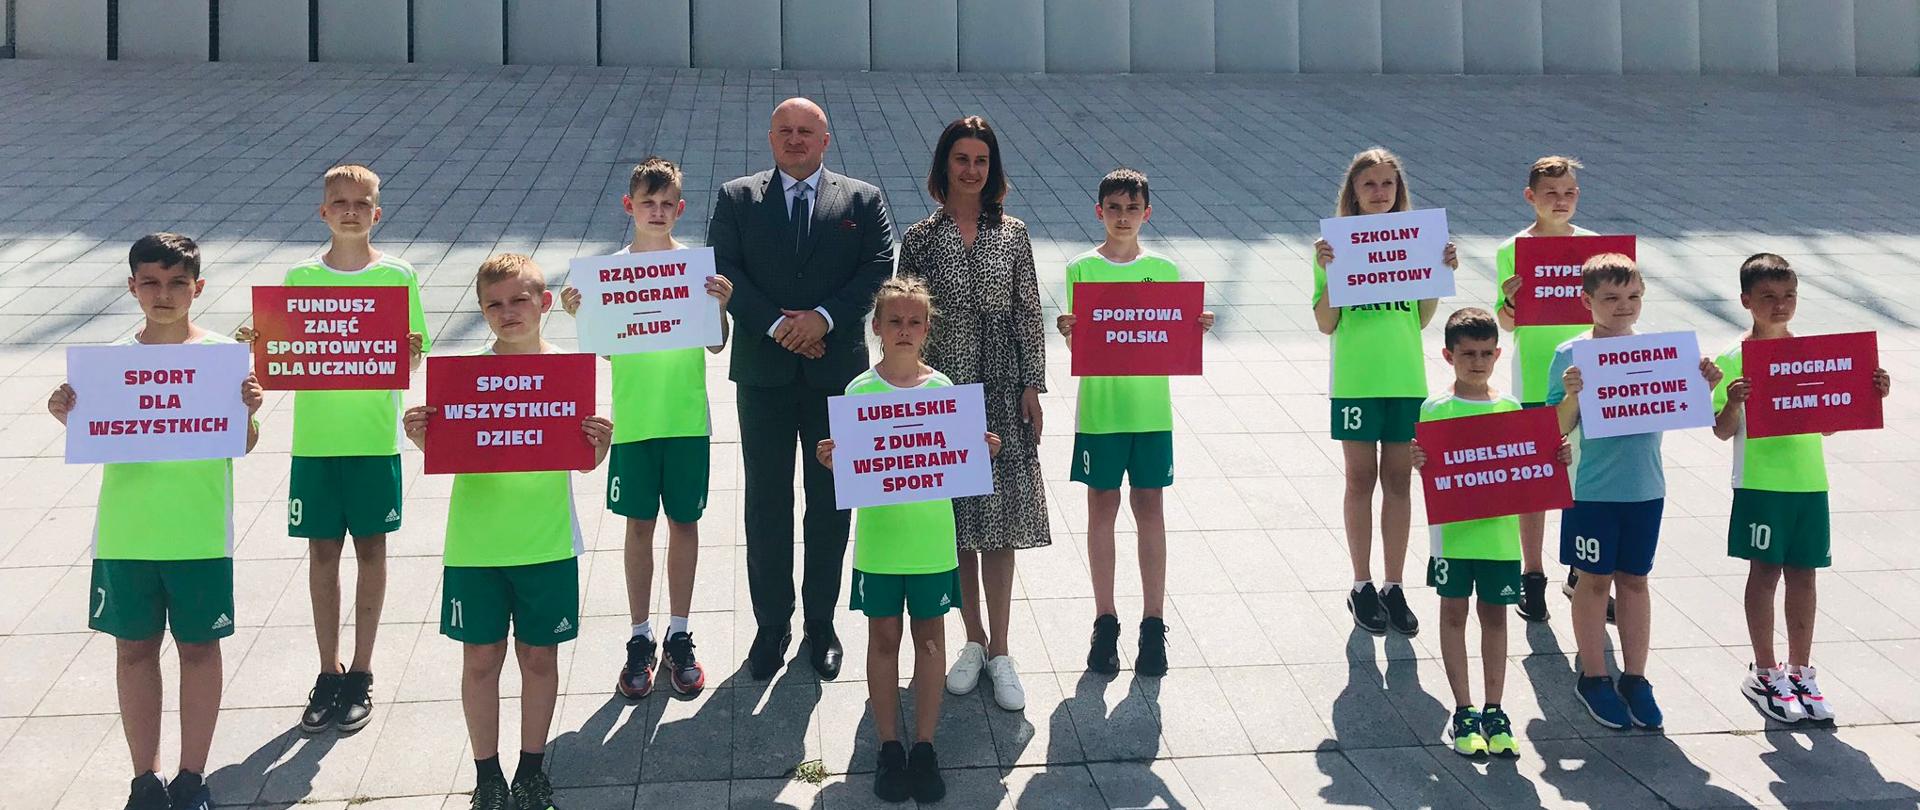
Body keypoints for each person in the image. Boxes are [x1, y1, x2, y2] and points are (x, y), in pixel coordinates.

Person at [47, 233, 264, 810]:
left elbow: (243, 444)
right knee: (133, 653)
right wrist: (67, 412)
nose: (163, 294)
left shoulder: (222, 358)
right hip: (126, 536)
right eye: (150, 282)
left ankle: (193, 777)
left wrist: (248, 412)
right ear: (132, 287)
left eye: (176, 283)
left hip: (200, 536)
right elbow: (94, 430)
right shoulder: (108, 364)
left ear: (198, 288)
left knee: (200, 652)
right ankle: (145, 778)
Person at [404, 254, 612, 810]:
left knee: (539, 659)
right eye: (493, 304)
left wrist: (599, 446)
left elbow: (582, 461)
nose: (507, 312)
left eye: (519, 299)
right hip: (475, 546)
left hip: (546, 542)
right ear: (481, 310)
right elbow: (452, 450)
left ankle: (532, 771)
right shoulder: (463, 378)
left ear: (545, 303)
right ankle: (488, 776)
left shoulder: (568, 370)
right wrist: (426, 440)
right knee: (480, 660)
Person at [236, 164, 429, 734]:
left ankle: (362, 670)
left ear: (377, 213)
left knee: (372, 552)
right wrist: (262, 343)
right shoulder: (300, 276)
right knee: (322, 555)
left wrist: (410, 351)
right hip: (315, 444)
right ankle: (328, 669)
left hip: (373, 440)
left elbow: (413, 354)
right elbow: (283, 352)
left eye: (361, 203)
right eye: (339, 202)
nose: (350, 211)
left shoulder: (398, 275)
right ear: (323, 212)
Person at [709, 97, 895, 681]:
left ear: (825, 140)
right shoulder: (737, 198)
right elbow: (724, 270)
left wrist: (822, 319)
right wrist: (779, 326)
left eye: (806, 132)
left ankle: (821, 623)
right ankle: (772, 626)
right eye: (785, 131)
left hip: (835, 376)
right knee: (766, 503)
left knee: (830, 501)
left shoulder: (862, 200)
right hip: (763, 374)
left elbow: (877, 267)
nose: (795, 140)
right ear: (770, 138)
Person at [815, 277, 1000, 803]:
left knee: (931, 641)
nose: (903, 329)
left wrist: (979, 452)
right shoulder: (858, 393)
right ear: (876, 327)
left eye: (914, 322)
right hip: (879, 545)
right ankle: (888, 746)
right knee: (882, 640)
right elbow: (858, 468)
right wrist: (835, 462)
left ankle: (924, 746)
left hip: (931, 545)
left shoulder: (943, 391)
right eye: (894, 320)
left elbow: (955, 462)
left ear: (926, 328)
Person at [560, 157, 732, 698]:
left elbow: (716, 344)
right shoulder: (608, 273)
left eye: (666, 204)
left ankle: (680, 632)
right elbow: (609, 351)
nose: (657, 212)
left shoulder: (697, 270)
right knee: (638, 527)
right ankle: (640, 635)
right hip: (633, 423)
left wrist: (719, 307)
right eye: (647, 203)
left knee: (684, 523)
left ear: (680, 209)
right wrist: (582, 316)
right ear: (628, 206)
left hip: (686, 421)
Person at [894, 115, 1049, 711]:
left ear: (993, 169)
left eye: (981, 160)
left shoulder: (1013, 234)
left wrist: (1033, 385)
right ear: (944, 166)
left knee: (1000, 523)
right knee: (957, 522)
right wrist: (903, 390)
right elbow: (904, 318)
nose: (971, 170)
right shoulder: (920, 238)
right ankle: (974, 640)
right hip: (942, 392)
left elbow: (1028, 312)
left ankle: (1003, 649)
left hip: (1002, 390)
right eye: (961, 159)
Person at [1711, 253, 1892, 724]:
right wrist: (1733, 403)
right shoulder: (1733, 357)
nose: (1781, 305)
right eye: (1768, 296)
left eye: (1789, 295)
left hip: (1810, 483)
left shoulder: (1812, 354)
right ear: (1746, 300)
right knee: (1765, 573)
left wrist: (1867, 391)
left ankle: (1801, 671)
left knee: (1805, 575)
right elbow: (1721, 430)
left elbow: (1827, 422)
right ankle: (1764, 672)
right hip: (1760, 484)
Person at [1548, 253, 1721, 730]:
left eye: (1633, 296)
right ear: (1586, 301)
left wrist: (1704, 385)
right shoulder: (1570, 354)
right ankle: (1594, 676)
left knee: (1636, 580)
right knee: (1593, 580)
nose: (1624, 305)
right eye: (1611, 298)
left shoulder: (1658, 352)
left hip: (1645, 488)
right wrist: (1572, 395)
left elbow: (1685, 407)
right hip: (1592, 489)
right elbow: (1555, 427)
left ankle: (1636, 677)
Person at [1056, 168, 1214, 676]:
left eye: (1132, 209)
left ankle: (1153, 623)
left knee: (1150, 510)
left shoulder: (1164, 270)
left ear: (1147, 214)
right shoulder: (1082, 268)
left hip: (1150, 413)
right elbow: (1082, 343)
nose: (1122, 218)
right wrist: (1069, 332)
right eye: (1114, 208)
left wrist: (1193, 327)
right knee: (1101, 510)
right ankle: (1105, 620)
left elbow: (1170, 334)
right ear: (1098, 212)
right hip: (1101, 412)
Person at [1410, 308, 1570, 759]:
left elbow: (1528, 465)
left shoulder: (1511, 408)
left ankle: (1494, 709)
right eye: (1467, 354)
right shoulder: (1435, 409)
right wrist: (1419, 461)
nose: (1477, 362)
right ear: (1449, 356)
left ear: (1498, 354)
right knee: (1453, 614)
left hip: (1500, 538)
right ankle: (1463, 709)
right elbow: (1431, 468)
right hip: (1453, 537)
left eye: (1485, 353)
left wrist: (1554, 458)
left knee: (1496, 617)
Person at [1311, 148, 1456, 637]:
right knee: (1360, 480)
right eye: (1369, 184)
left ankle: (1394, 585)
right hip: (1356, 382)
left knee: (1399, 482)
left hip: (1405, 380)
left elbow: (1420, 319)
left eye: (1387, 184)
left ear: (1399, 191)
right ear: (1353, 192)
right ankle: (1361, 584)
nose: (1379, 192)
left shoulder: (1416, 241)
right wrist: (1331, 273)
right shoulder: (1333, 246)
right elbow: (1325, 322)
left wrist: (1439, 270)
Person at [1492, 155, 1596, 622]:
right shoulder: (1512, 249)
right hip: (1535, 376)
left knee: (1585, 479)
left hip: (1588, 376)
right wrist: (1512, 300)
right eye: (1551, 194)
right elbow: (1505, 321)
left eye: (1569, 193)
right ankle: (1532, 575)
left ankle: (1582, 569)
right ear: (1530, 197)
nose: (1561, 201)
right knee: (1536, 482)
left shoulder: (1595, 248)